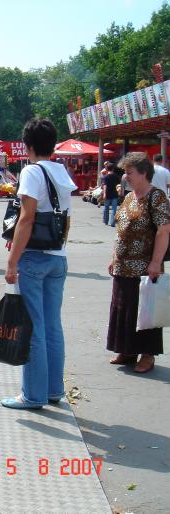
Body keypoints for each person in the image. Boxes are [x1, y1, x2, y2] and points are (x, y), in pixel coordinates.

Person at [2, 118, 77, 410]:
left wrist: (12, 261)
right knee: (52, 326)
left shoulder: (32, 171)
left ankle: (32, 395)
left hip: (33, 257)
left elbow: (27, 218)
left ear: (28, 145)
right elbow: (67, 218)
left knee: (32, 326)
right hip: (57, 257)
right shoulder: (61, 172)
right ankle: (53, 390)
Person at [107, 152, 170, 373]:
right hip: (123, 265)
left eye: (130, 173)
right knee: (124, 308)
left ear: (144, 173)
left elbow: (164, 230)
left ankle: (147, 354)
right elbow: (121, 231)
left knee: (144, 310)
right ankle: (127, 349)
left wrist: (156, 261)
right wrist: (114, 256)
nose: (126, 177)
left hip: (144, 265)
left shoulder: (156, 197)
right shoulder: (128, 197)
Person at [101, 162, 121, 226]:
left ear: (107, 169)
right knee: (114, 209)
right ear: (113, 169)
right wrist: (119, 192)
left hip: (107, 194)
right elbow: (118, 185)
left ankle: (105, 221)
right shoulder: (116, 176)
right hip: (114, 194)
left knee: (106, 207)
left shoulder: (106, 177)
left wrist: (104, 193)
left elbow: (105, 186)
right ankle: (112, 222)